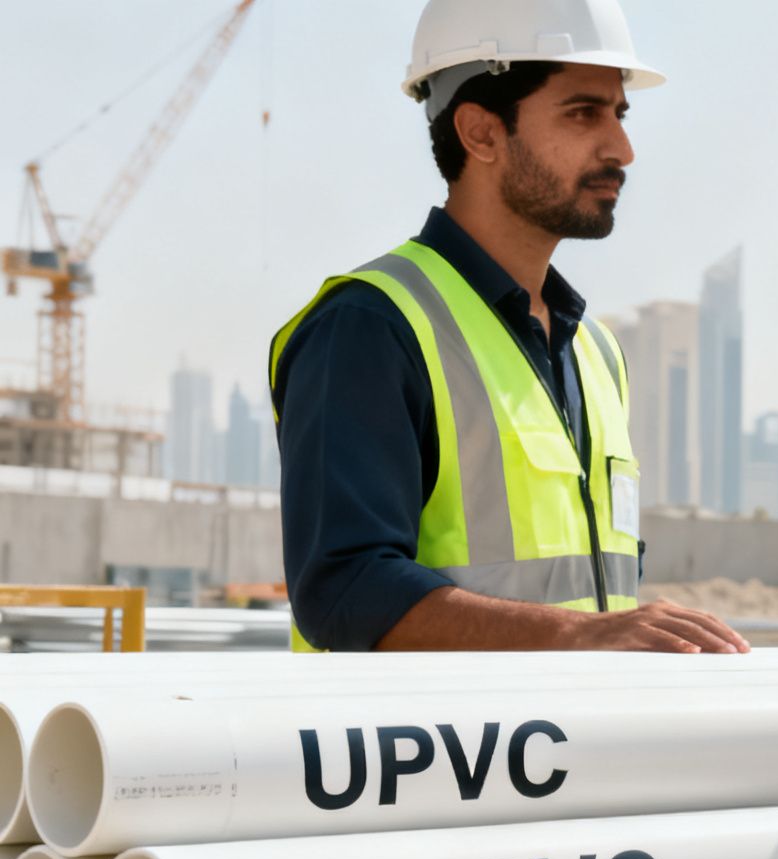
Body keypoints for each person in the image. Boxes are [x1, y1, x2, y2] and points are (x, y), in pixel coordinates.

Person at [270, 0, 748, 655]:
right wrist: (577, 636)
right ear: (481, 133)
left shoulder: (595, 353)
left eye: (620, 113)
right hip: (436, 757)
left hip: (573, 751)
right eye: (584, 112)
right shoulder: (370, 327)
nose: (622, 148)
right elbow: (345, 592)